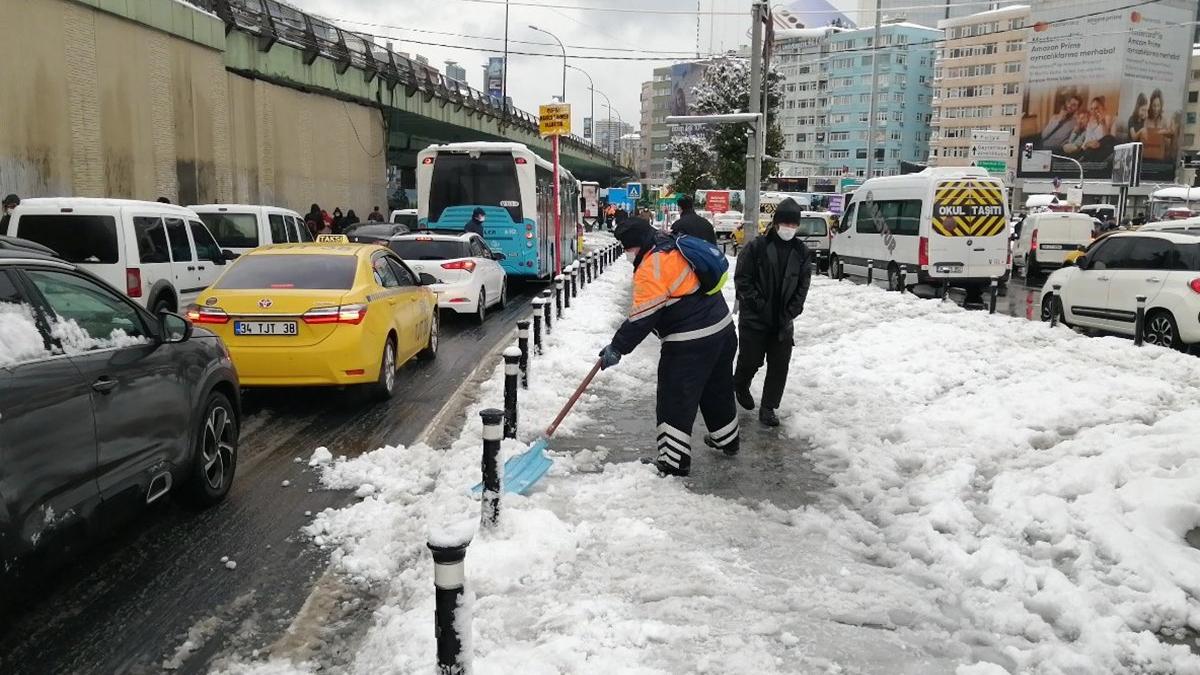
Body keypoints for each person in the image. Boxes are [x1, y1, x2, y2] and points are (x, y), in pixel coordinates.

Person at [598, 217, 739, 476]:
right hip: (723, 330)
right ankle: (727, 440)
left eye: (628, 248)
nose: (627, 254)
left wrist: (617, 347)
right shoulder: (673, 245)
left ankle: (673, 462)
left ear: (637, 245)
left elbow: (642, 318)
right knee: (717, 388)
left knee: (675, 399)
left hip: (690, 343)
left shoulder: (652, 266)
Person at [732, 198, 813, 428]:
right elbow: (742, 280)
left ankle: (768, 407)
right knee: (750, 360)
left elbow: (803, 285)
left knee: (779, 366)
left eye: (793, 224)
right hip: (755, 319)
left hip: (782, 321)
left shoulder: (801, 251)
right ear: (776, 223)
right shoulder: (756, 247)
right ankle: (740, 384)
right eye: (785, 223)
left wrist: (792, 310)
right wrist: (758, 304)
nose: (789, 228)